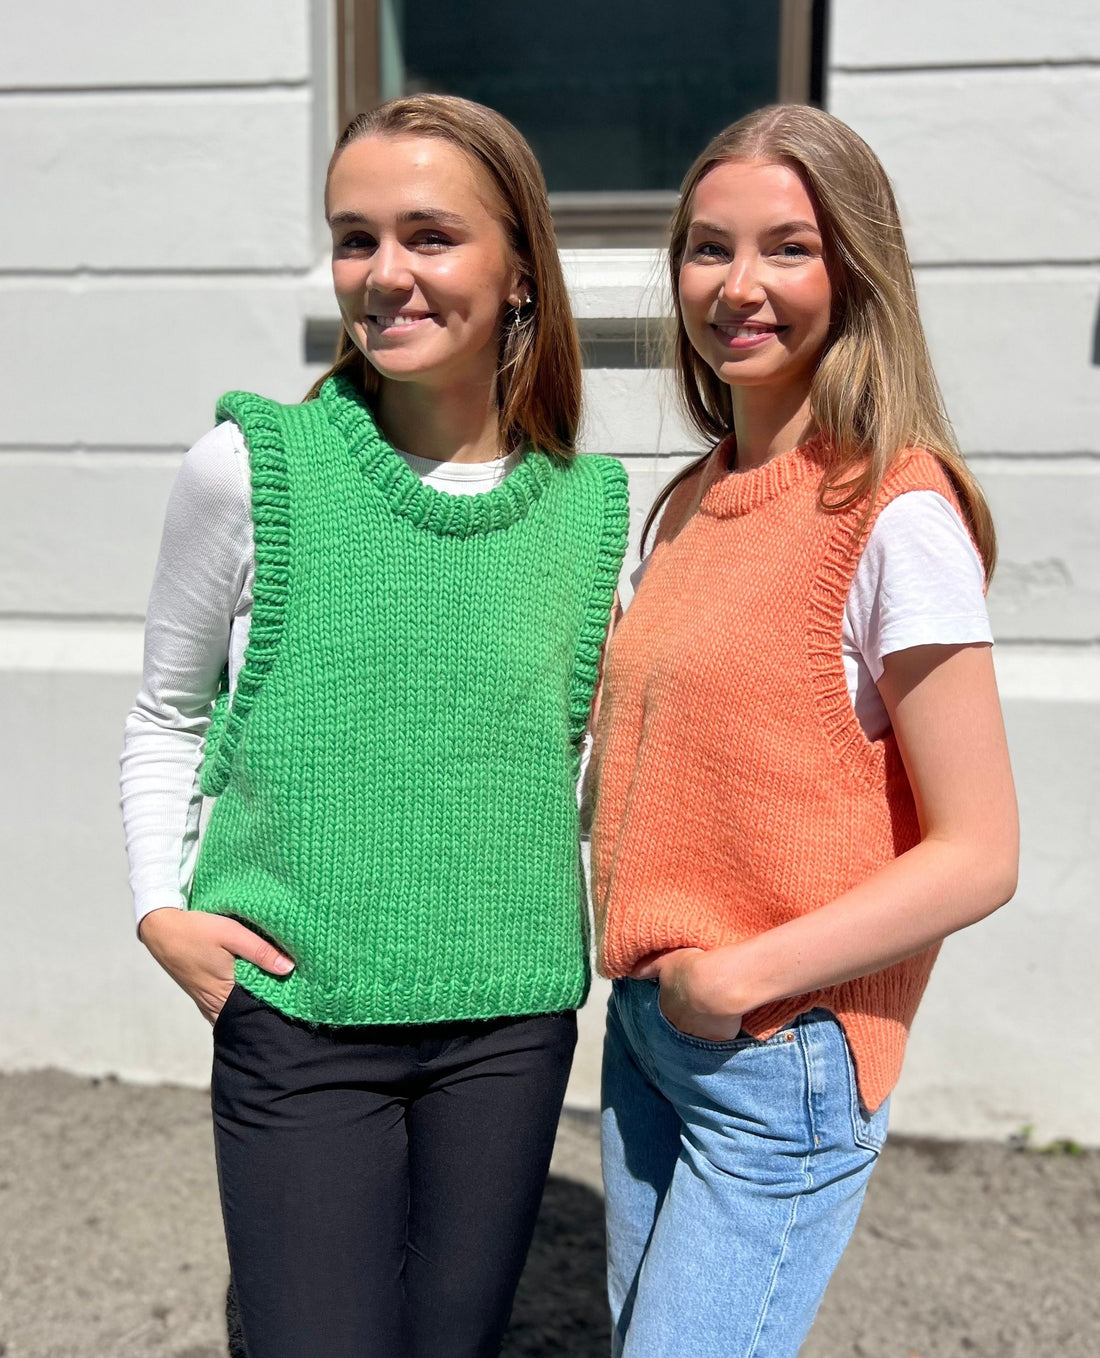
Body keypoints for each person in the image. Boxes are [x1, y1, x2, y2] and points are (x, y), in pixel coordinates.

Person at [120, 94, 628, 1358]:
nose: (383, 273)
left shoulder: (593, 512)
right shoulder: (252, 469)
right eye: (355, 237)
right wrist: (159, 907)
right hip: (299, 1019)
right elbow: (167, 712)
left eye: (428, 235)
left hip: (506, 1032)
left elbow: (593, 771)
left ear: (519, 269)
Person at [590, 103, 1019, 1358]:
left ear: (854, 268)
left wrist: (738, 977)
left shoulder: (895, 510)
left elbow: (978, 850)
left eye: (786, 246)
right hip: (647, 1033)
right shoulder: (682, 503)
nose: (737, 286)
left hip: (780, 1053)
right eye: (706, 248)